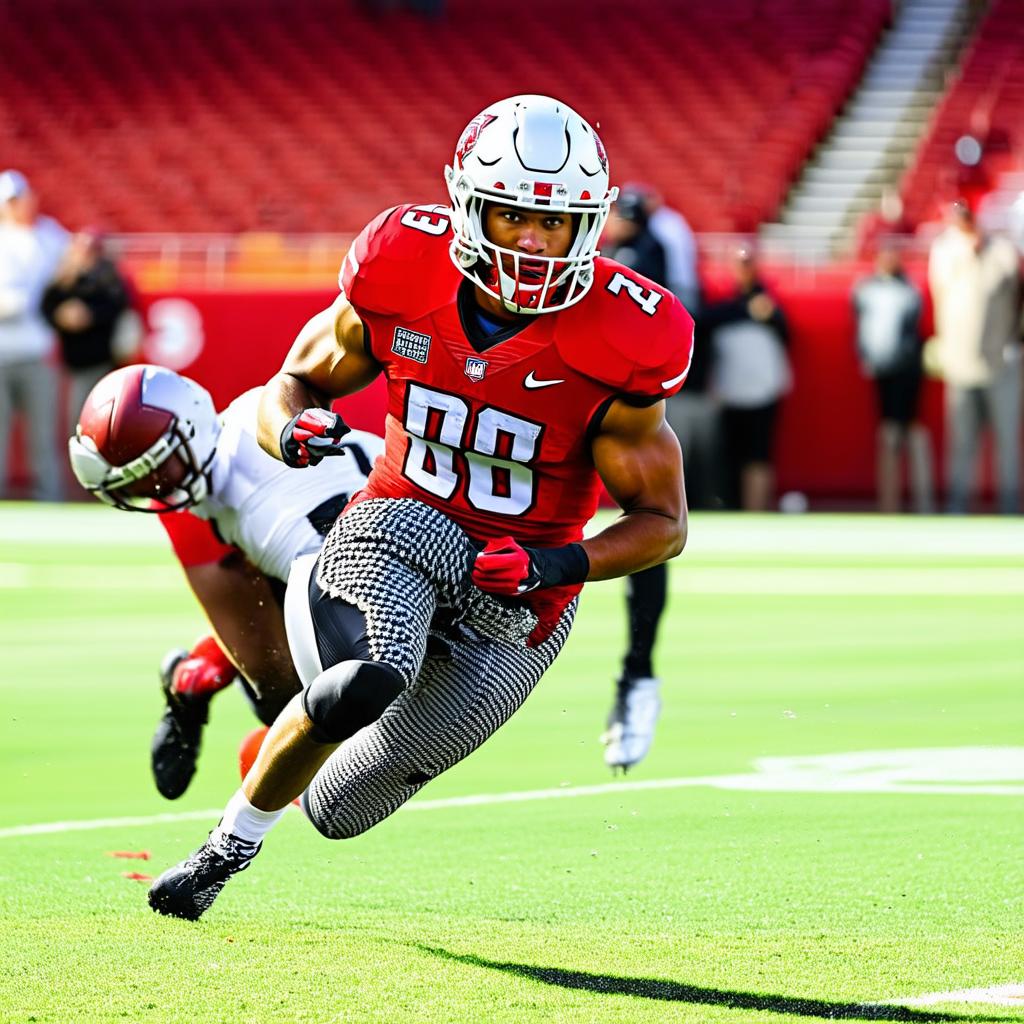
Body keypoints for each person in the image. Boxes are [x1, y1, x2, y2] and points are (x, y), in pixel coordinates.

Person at [147, 94, 693, 921]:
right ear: (470, 208)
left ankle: (273, 745)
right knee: (368, 677)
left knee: (339, 811)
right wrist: (290, 429)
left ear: (593, 222)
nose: (536, 242)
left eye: (558, 223)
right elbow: (290, 382)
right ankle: (226, 850)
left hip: (524, 589)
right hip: (402, 522)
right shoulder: (401, 263)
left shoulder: (626, 335)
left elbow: (664, 524)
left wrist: (559, 562)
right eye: (514, 216)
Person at [69, 363, 383, 798]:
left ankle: (202, 669)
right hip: (335, 552)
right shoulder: (210, 472)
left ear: (190, 425)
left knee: (349, 702)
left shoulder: (262, 479)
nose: (159, 491)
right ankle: (196, 679)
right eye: (142, 486)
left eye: (159, 472)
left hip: (346, 550)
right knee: (287, 697)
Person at [599, 188, 673, 770]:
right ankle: (637, 670)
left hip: (614, 412)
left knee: (648, 530)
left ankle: (638, 674)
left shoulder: (637, 269)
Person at [927, 200, 1022, 515]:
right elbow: (944, 294)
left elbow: (1014, 293)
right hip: (961, 363)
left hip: (1001, 362)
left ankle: (1010, 507)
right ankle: (957, 507)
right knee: (962, 442)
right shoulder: (944, 251)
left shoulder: (1003, 252)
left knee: (1007, 441)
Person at [703, 248, 790, 511]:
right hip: (732, 392)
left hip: (762, 390)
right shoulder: (727, 305)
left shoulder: (769, 305)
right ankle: (735, 507)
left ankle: (756, 509)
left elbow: (783, 329)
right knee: (731, 455)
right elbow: (709, 320)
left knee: (758, 454)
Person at [0, 169, 68, 501]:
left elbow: (72, 269)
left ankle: (49, 499)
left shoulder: (50, 236)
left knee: (43, 435)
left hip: (37, 350)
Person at [852, 241, 934, 514]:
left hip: (907, 371)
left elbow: (912, 328)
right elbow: (862, 329)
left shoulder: (908, 291)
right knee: (889, 435)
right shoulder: (866, 290)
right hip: (883, 372)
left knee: (909, 431)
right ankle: (889, 504)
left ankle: (922, 501)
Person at [42, 229, 133, 459]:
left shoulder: (109, 278)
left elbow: (115, 306)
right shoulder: (65, 278)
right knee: (77, 425)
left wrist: (87, 314)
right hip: (73, 362)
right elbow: (48, 306)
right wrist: (63, 313)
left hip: (101, 362)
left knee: (95, 424)